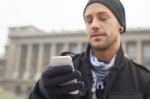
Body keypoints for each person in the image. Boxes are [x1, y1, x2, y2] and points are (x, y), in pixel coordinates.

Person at [28, 0, 150, 99]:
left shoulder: (144, 79)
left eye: (103, 18)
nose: (94, 25)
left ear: (121, 26)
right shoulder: (66, 72)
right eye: (89, 20)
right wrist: (41, 93)